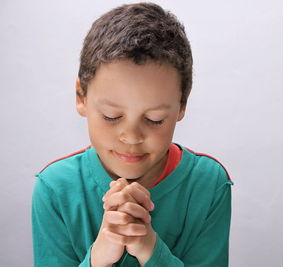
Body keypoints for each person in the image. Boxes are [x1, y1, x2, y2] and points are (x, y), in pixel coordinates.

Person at [31, 2, 233, 267]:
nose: (131, 137)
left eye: (154, 119)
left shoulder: (208, 185)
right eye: (112, 116)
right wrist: (98, 258)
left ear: (182, 105)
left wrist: (150, 249)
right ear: (81, 97)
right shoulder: (55, 189)